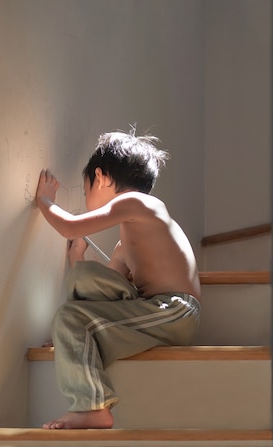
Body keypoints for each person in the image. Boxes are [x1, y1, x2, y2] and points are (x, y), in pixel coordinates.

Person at [34, 130, 201, 430]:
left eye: (86, 189)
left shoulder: (140, 204)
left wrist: (46, 200)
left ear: (101, 178)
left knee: (76, 303)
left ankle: (91, 407)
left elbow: (69, 227)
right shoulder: (126, 245)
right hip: (152, 310)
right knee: (73, 309)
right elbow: (106, 286)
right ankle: (73, 337)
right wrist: (78, 258)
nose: (87, 198)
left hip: (174, 311)